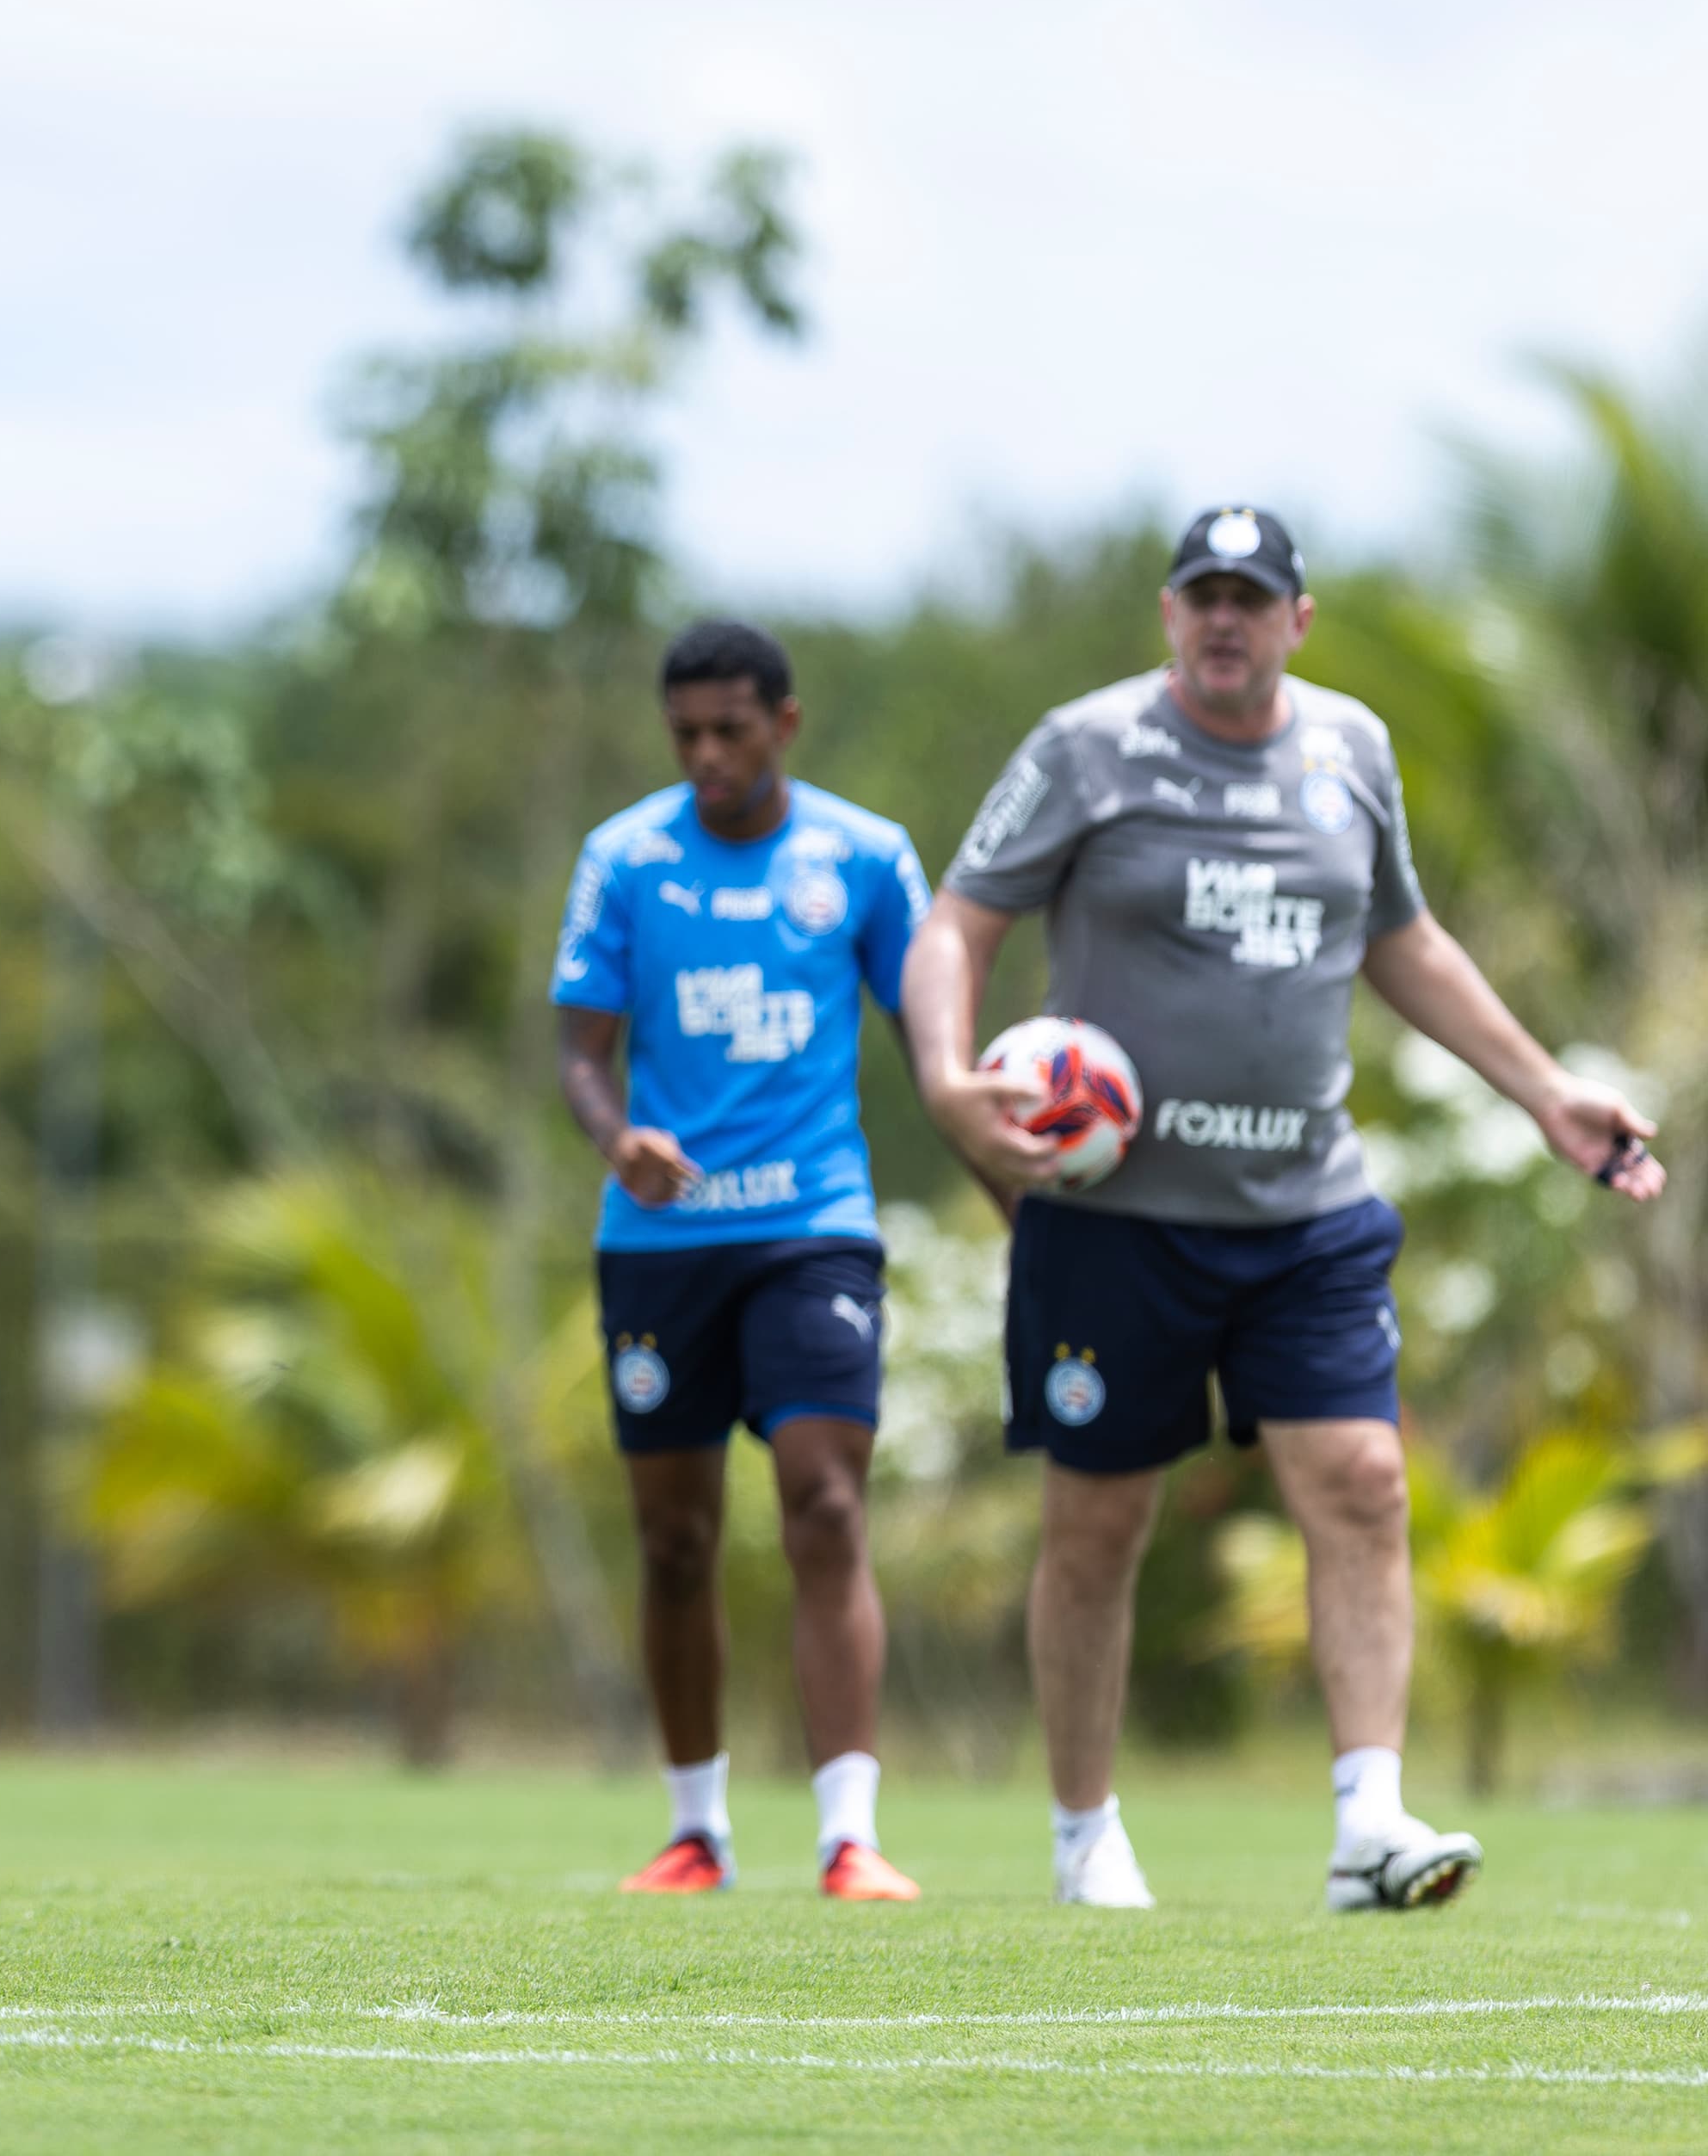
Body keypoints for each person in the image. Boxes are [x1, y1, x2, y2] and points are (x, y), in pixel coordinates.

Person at [903, 503, 1665, 1911]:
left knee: (1363, 1485)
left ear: (1298, 622)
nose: (1224, 621)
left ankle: (1369, 1823)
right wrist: (951, 1083)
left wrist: (1546, 1093)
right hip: (1116, 1221)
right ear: (1167, 611)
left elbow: (1404, 941)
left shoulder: (1352, 751)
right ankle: (1085, 1837)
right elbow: (959, 920)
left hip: (1304, 1211)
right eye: (1202, 596)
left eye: (1252, 598)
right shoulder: (1086, 748)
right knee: (1099, 1524)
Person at [552, 618, 933, 1902]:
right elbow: (578, 1055)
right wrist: (619, 1142)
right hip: (660, 1243)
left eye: (731, 729)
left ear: (786, 722)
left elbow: (933, 1036)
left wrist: (1016, 1159)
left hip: (814, 1222)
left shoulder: (868, 859)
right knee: (674, 1541)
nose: (708, 755)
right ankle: (695, 1829)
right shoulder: (623, 860)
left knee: (825, 1503)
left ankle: (849, 1836)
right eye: (686, 736)